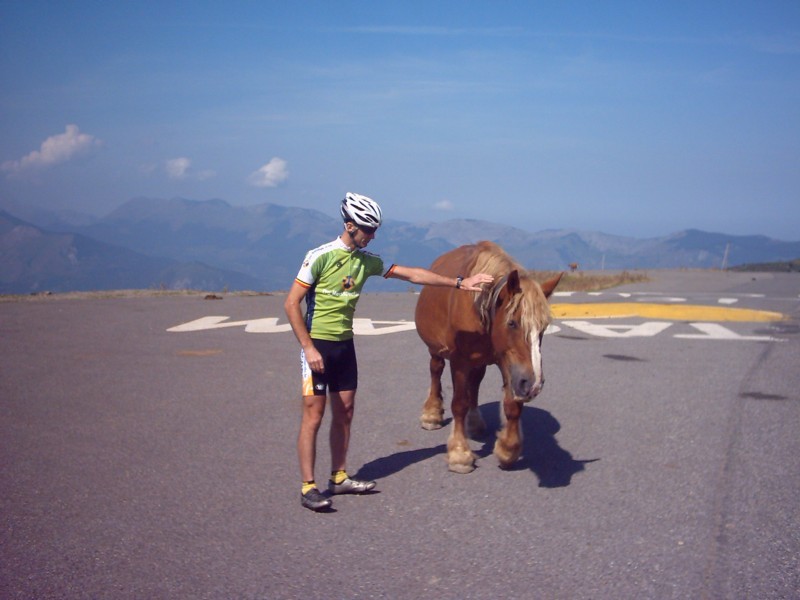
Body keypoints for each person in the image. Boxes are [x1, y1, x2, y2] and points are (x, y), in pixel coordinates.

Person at [284, 192, 494, 511]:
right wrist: (308, 347)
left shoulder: (366, 261)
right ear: (349, 225)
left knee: (346, 411)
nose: (372, 236)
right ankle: (308, 487)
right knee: (314, 415)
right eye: (367, 230)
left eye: (375, 230)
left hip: (344, 346)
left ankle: (339, 478)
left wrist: (460, 283)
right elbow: (290, 304)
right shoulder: (320, 256)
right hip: (317, 346)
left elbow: (411, 274)